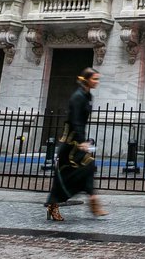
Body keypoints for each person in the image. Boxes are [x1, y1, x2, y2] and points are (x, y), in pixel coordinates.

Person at [45, 67, 106, 221]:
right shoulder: (78, 97)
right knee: (67, 174)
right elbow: (75, 121)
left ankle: (92, 199)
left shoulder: (87, 96)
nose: (97, 82)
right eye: (94, 79)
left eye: (97, 79)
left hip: (78, 141)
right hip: (71, 143)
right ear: (86, 79)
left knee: (88, 166)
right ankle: (54, 204)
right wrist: (81, 142)